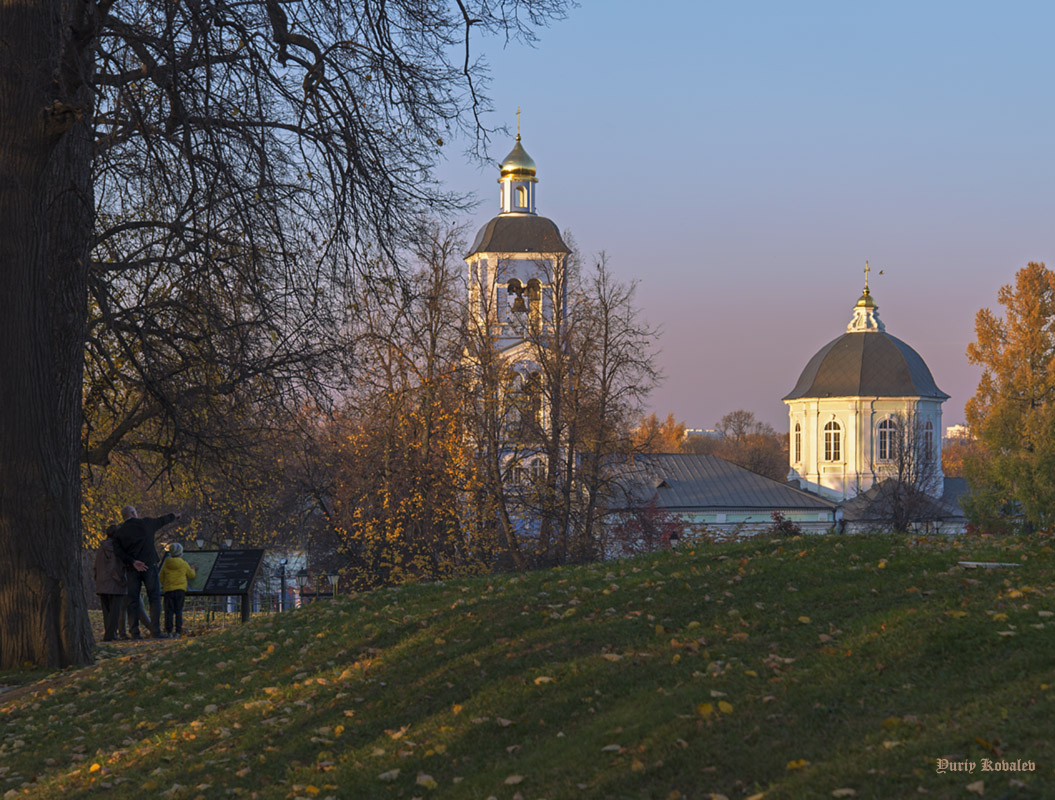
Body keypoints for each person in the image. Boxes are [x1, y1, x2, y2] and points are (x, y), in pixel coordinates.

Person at [111, 505, 181, 639]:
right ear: (133, 513)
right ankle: (155, 631)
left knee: (133, 601)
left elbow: (118, 552)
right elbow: (162, 520)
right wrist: (174, 516)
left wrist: (132, 561)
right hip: (149, 565)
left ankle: (134, 632)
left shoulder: (119, 532)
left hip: (132, 569)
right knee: (154, 598)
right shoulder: (145, 523)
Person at [93, 524, 127, 641]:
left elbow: (96, 566)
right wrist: (121, 580)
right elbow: (114, 567)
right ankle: (110, 635)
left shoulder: (101, 548)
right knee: (114, 611)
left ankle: (109, 633)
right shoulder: (115, 548)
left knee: (106, 611)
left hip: (101, 581)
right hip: (114, 583)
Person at [160, 542, 196, 638]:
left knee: (169, 612)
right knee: (178, 611)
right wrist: (193, 569)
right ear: (181, 553)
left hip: (168, 591)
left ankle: (169, 632)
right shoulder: (184, 564)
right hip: (180, 591)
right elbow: (191, 575)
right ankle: (178, 632)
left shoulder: (166, 564)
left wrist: (166, 585)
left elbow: (161, 578)